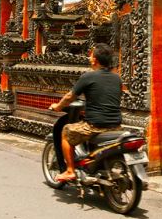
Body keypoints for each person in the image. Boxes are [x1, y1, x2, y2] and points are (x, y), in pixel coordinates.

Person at [49, 43, 122, 182]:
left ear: (95, 59)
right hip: (116, 125)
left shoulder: (88, 77)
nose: (89, 57)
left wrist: (58, 106)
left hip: (95, 126)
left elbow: (70, 97)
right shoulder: (116, 78)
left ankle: (70, 171)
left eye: (91, 55)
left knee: (65, 132)